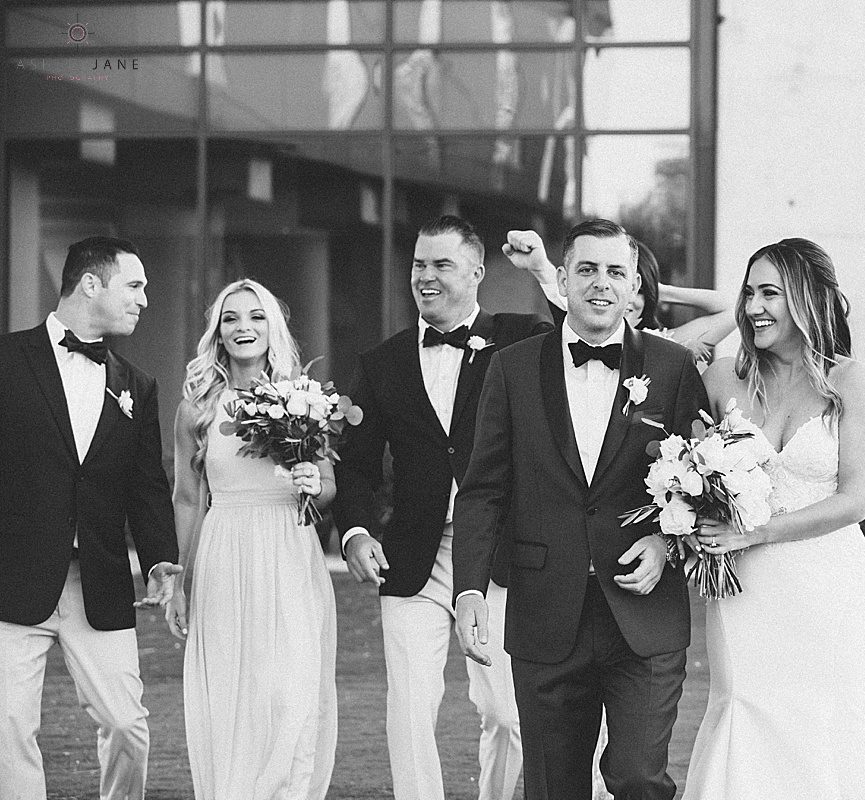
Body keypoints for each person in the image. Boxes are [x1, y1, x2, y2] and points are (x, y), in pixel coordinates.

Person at [682, 237, 865, 799]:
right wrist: (724, 320)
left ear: (806, 299)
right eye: (748, 293)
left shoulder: (851, 381)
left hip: (828, 584)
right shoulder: (723, 379)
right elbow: (673, 347)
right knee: (744, 706)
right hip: (744, 590)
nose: (754, 306)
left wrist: (754, 531)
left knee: (826, 716)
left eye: (770, 294)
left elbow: (856, 501)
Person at [452, 218, 707, 800]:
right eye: (586, 270)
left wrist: (669, 543)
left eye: (616, 272)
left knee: (640, 777)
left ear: (634, 285)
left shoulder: (671, 369)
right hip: (545, 613)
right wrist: (468, 589)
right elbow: (482, 489)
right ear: (562, 279)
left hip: (644, 617)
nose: (601, 284)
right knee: (552, 788)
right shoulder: (512, 368)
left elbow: (702, 483)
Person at [332, 215, 551, 800]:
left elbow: (586, 336)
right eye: (418, 265)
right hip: (413, 559)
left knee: (507, 714)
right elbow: (354, 465)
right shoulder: (383, 362)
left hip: (497, 557)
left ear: (477, 273)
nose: (425, 277)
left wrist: (545, 273)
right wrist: (354, 531)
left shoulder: (521, 338)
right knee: (409, 711)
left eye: (441, 265)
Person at [0, 236, 181, 800]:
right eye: (136, 286)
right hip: (11, 578)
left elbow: (148, 487)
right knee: (8, 733)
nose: (145, 300)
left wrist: (161, 563)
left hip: (97, 584)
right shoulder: (6, 360)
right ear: (91, 284)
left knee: (128, 725)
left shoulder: (138, 385)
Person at [167, 278, 337, 799]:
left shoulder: (305, 398)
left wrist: (316, 484)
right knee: (233, 695)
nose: (244, 327)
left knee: (291, 693)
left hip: (289, 552)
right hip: (224, 554)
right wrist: (180, 580)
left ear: (274, 327)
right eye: (232, 318)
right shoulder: (197, 407)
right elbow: (189, 499)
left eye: (256, 316)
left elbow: (328, 486)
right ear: (218, 331)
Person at [504, 228, 736, 362]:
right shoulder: (582, 327)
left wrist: (656, 289)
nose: (629, 301)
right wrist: (539, 265)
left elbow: (732, 309)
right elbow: (565, 294)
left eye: (637, 290)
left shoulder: (665, 347)